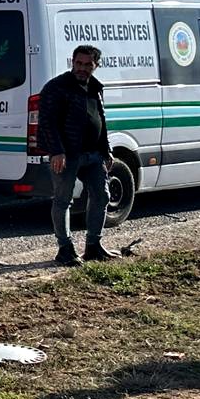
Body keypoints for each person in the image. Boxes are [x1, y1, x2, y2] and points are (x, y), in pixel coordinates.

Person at [37, 44, 118, 266]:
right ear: (72, 62)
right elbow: (47, 122)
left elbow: (100, 120)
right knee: (63, 200)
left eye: (87, 64)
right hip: (67, 155)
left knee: (102, 196)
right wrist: (57, 151)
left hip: (94, 154)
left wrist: (107, 150)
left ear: (96, 65)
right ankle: (65, 249)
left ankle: (93, 246)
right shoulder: (56, 87)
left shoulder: (95, 88)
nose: (82, 68)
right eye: (78, 63)